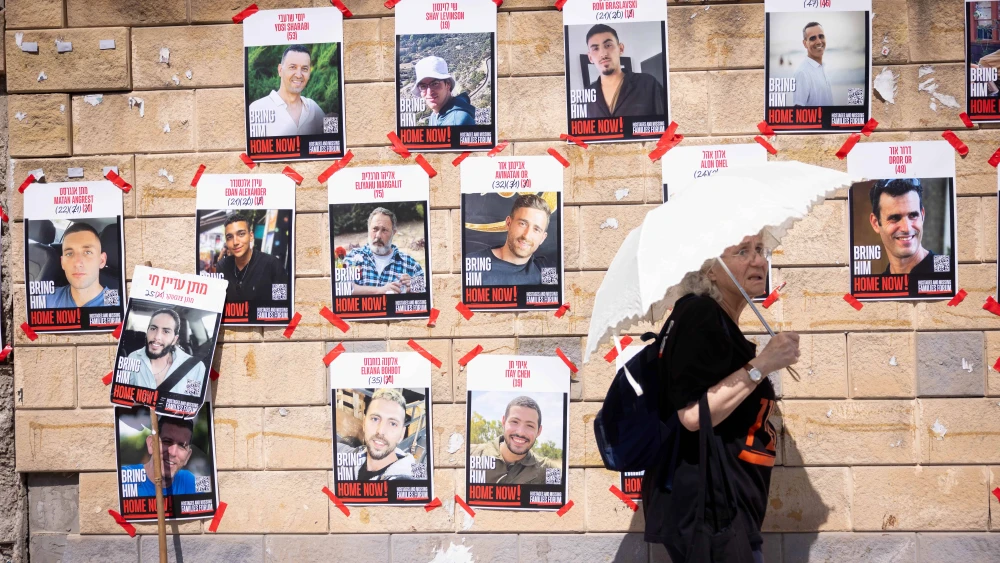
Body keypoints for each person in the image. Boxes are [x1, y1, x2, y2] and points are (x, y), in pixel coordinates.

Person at [642, 234, 800, 562]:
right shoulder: (700, 314)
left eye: (760, 250)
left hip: (726, 513)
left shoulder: (717, 319)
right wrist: (763, 364)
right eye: (743, 251)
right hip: (712, 516)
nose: (758, 261)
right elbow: (692, 415)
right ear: (710, 269)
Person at [468, 396, 559, 485]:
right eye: (514, 422)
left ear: (539, 431)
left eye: (530, 426)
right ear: (503, 422)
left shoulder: (549, 470)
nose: (520, 432)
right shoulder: (471, 454)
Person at [464, 195, 553, 286]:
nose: (526, 235)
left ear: (543, 238)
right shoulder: (471, 264)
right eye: (522, 224)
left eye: (536, 229)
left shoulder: (545, 268)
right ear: (508, 223)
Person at [583, 24, 665, 118]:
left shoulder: (648, 84)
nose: (603, 54)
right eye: (595, 49)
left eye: (608, 45)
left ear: (620, 48)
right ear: (590, 58)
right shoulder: (585, 96)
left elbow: (664, 126)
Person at [336, 388, 418, 480]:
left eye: (393, 423)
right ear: (364, 423)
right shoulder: (351, 454)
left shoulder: (411, 479)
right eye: (375, 419)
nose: (381, 431)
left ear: (402, 434)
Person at [343, 208, 425, 295]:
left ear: (393, 233)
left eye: (384, 230)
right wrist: (380, 290)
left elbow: (428, 295)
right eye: (375, 229)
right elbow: (342, 287)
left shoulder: (411, 264)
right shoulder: (353, 257)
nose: (378, 235)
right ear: (368, 229)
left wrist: (413, 286)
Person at [248, 44, 325, 137]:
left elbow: (333, 140)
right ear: (280, 70)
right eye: (292, 67)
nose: (299, 75)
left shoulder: (313, 108)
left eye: (304, 69)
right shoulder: (257, 108)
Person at [127, 309, 207, 397]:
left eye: (166, 331)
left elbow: (193, 405)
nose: (157, 337)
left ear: (174, 340)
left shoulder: (195, 368)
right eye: (153, 329)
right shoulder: (133, 357)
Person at [868, 179, 939, 275]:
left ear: (922, 215)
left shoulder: (951, 273)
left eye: (913, 215)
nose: (907, 228)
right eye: (895, 218)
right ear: (875, 223)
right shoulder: (874, 288)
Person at [217, 212, 289, 303]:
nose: (235, 242)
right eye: (230, 237)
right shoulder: (222, 266)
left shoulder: (272, 265)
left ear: (251, 236)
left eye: (241, 234)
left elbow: (283, 304)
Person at [120, 415, 197, 497]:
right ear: (151, 444)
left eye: (182, 446)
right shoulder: (123, 479)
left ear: (187, 457)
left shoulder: (190, 482)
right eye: (167, 441)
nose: (173, 453)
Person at [46, 222, 112, 308]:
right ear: (62, 262)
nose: (77, 263)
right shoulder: (46, 300)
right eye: (69, 254)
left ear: (102, 261)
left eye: (88, 252)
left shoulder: (119, 306)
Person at [410, 56, 476, 126]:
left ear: (448, 84)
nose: (429, 92)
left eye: (435, 84)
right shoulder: (435, 115)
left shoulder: (457, 121)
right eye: (423, 86)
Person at [793, 22, 834, 106]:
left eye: (821, 36)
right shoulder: (802, 73)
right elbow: (798, 113)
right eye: (812, 38)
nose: (819, 41)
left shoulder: (821, 68)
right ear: (805, 44)